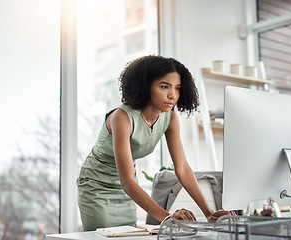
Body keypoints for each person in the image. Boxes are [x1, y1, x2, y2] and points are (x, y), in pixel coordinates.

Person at [77, 55, 232, 231]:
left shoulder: (170, 117)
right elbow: (127, 179)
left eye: (178, 88)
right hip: (97, 187)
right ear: (145, 85)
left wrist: (209, 213)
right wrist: (166, 217)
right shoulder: (121, 117)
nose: (173, 95)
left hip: (127, 190)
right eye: (164, 86)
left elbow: (182, 168)